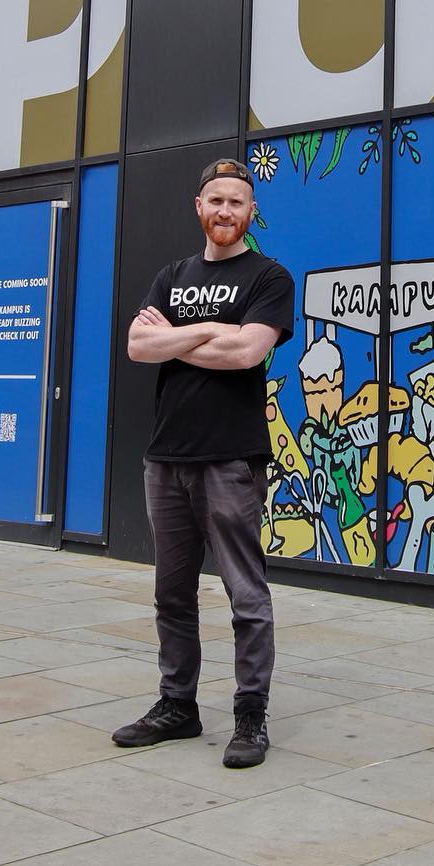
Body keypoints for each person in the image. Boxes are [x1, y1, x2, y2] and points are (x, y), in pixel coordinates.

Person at [111, 156, 294, 768]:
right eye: (216, 200)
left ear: (250, 212)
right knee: (172, 591)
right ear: (200, 206)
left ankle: (250, 716)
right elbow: (139, 346)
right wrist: (213, 328)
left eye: (236, 203)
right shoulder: (171, 275)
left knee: (246, 592)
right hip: (166, 456)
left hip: (231, 458)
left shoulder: (270, 277)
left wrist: (181, 334)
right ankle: (177, 706)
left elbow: (246, 354)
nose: (225, 211)